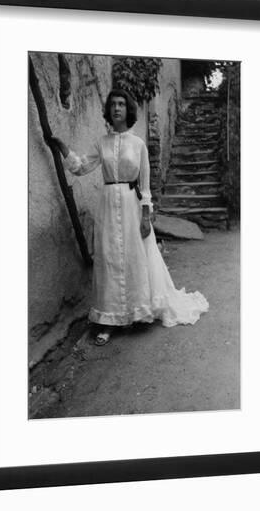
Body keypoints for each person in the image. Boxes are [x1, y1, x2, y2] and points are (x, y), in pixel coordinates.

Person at [54, 89, 208, 345]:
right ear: (109, 110)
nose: (116, 109)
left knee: (135, 257)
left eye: (121, 105)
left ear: (128, 110)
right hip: (107, 203)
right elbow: (81, 167)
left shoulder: (138, 144)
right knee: (109, 258)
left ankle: (137, 312)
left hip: (130, 204)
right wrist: (62, 148)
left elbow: (145, 184)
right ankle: (109, 321)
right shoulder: (100, 143)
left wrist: (146, 216)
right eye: (113, 104)